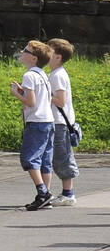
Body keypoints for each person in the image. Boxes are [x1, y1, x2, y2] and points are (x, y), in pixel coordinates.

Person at [10, 39, 55, 210]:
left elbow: (31, 102)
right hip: (48, 120)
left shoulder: (29, 75)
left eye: (26, 51)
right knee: (45, 160)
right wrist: (24, 91)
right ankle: (46, 195)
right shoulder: (42, 74)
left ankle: (43, 192)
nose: (22, 53)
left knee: (29, 158)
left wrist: (16, 94)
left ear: (34, 58)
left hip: (36, 121)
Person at [47, 38, 79, 205]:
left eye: (49, 50)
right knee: (59, 156)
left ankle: (68, 193)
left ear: (58, 57)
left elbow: (60, 100)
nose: (45, 53)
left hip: (60, 122)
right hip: (58, 121)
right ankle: (66, 192)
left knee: (62, 157)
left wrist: (44, 94)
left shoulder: (57, 75)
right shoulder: (54, 74)